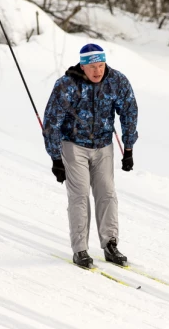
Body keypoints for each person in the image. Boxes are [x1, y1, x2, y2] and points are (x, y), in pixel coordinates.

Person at [43, 44, 138, 268]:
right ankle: (80, 249)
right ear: (83, 66)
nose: (98, 71)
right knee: (79, 195)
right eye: (93, 66)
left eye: (101, 65)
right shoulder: (66, 85)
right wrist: (56, 158)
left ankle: (110, 244)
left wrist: (129, 149)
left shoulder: (117, 81)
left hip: (104, 145)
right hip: (73, 145)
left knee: (107, 193)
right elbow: (51, 123)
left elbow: (129, 112)